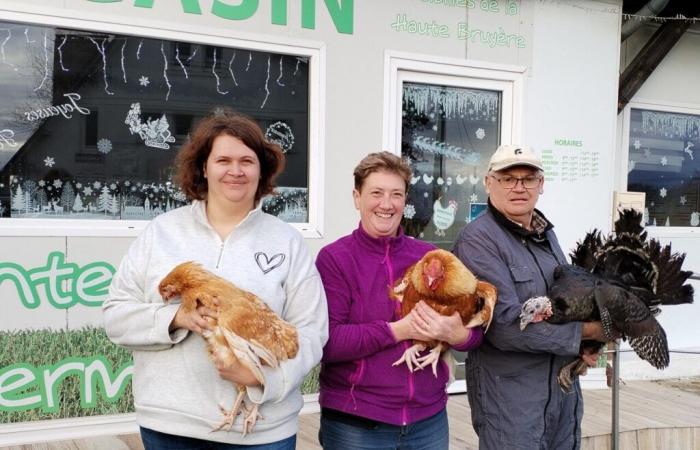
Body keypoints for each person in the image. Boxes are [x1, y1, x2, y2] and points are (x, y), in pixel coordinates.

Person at [103, 109, 328, 449]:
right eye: (223, 159)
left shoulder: (287, 242)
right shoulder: (161, 233)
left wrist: (263, 377)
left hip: (264, 432)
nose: (235, 171)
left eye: (247, 161)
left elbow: (312, 330)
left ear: (261, 170)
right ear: (204, 168)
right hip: (172, 427)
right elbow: (115, 316)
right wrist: (177, 317)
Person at [315, 151, 484, 450]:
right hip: (357, 423)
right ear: (357, 197)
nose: (386, 204)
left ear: (405, 200)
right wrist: (399, 330)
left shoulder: (429, 256)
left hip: (428, 421)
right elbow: (329, 343)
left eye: (396, 194)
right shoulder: (335, 259)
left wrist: (457, 335)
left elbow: (473, 329)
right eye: (376, 193)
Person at [453, 144, 609, 449]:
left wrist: (589, 345)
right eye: (507, 179)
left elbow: (566, 302)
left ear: (541, 185)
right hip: (512, 401)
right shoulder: (477, 240)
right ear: (488, 183)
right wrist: (585, 332)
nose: (519, 187)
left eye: (528, 179)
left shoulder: (546, 235)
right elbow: (505, 327)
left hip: (562, 394)